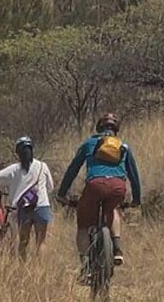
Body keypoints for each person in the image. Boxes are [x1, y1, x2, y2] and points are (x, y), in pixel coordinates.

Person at [56, 113, 141, 273]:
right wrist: (136, 198)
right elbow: (134, 175)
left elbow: (73, 169)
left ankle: (86, 263)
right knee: (113, 209)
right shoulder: (123, 146)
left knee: (83, 225)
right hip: (117, 186)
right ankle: (117, 249)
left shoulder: (89, 143)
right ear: (115, 130)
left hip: (95, 185)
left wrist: (62, 193)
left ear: (99, 127)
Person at [0, 136, 55, 259]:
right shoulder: (43, 166)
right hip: (42, 207)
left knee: (23, 242)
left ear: (18, 152)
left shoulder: (14, 169)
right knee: (41, 242)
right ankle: (40, 272)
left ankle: (24, 270)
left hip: (24, 210)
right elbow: (50, 187)